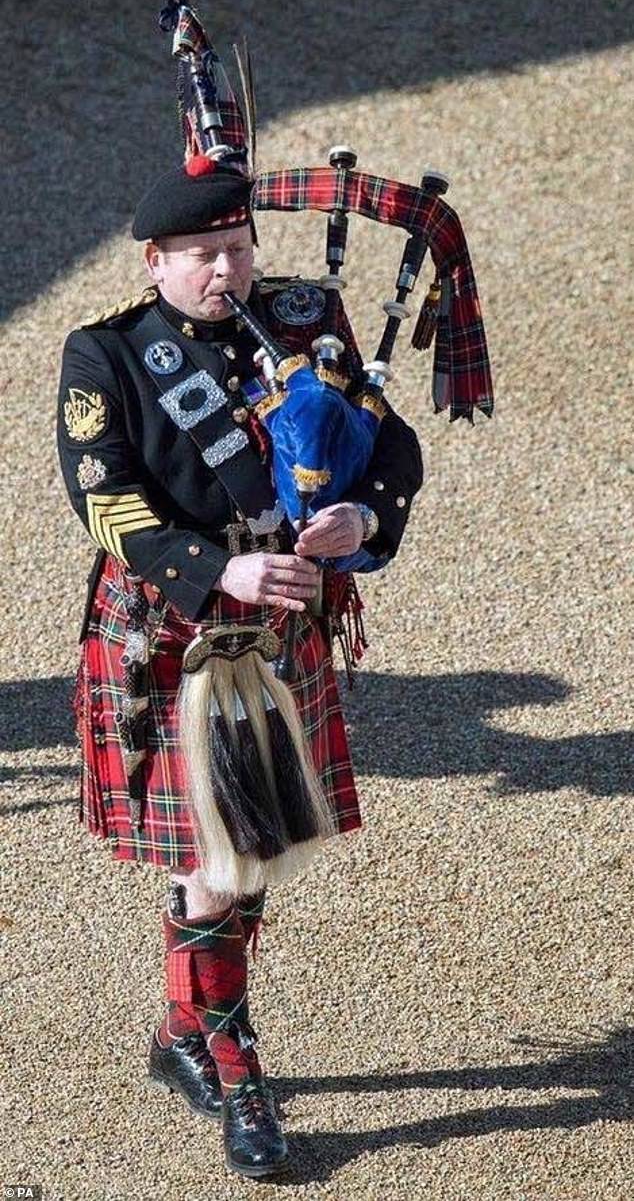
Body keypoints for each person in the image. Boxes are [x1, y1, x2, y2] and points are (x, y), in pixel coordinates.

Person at [57, 153, 424, 1178]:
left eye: (237, 247)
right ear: (156, 260)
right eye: (204, 254)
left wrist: (360, 520)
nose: (227, 270)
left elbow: (385, 449)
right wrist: (223, 567)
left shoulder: (308, 321)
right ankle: (241, 1075)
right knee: (218, 865)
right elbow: (105, 501)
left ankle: (184, 1030)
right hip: (172, 634)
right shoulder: (109, 355)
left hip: (281, 634)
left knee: (250, 851)